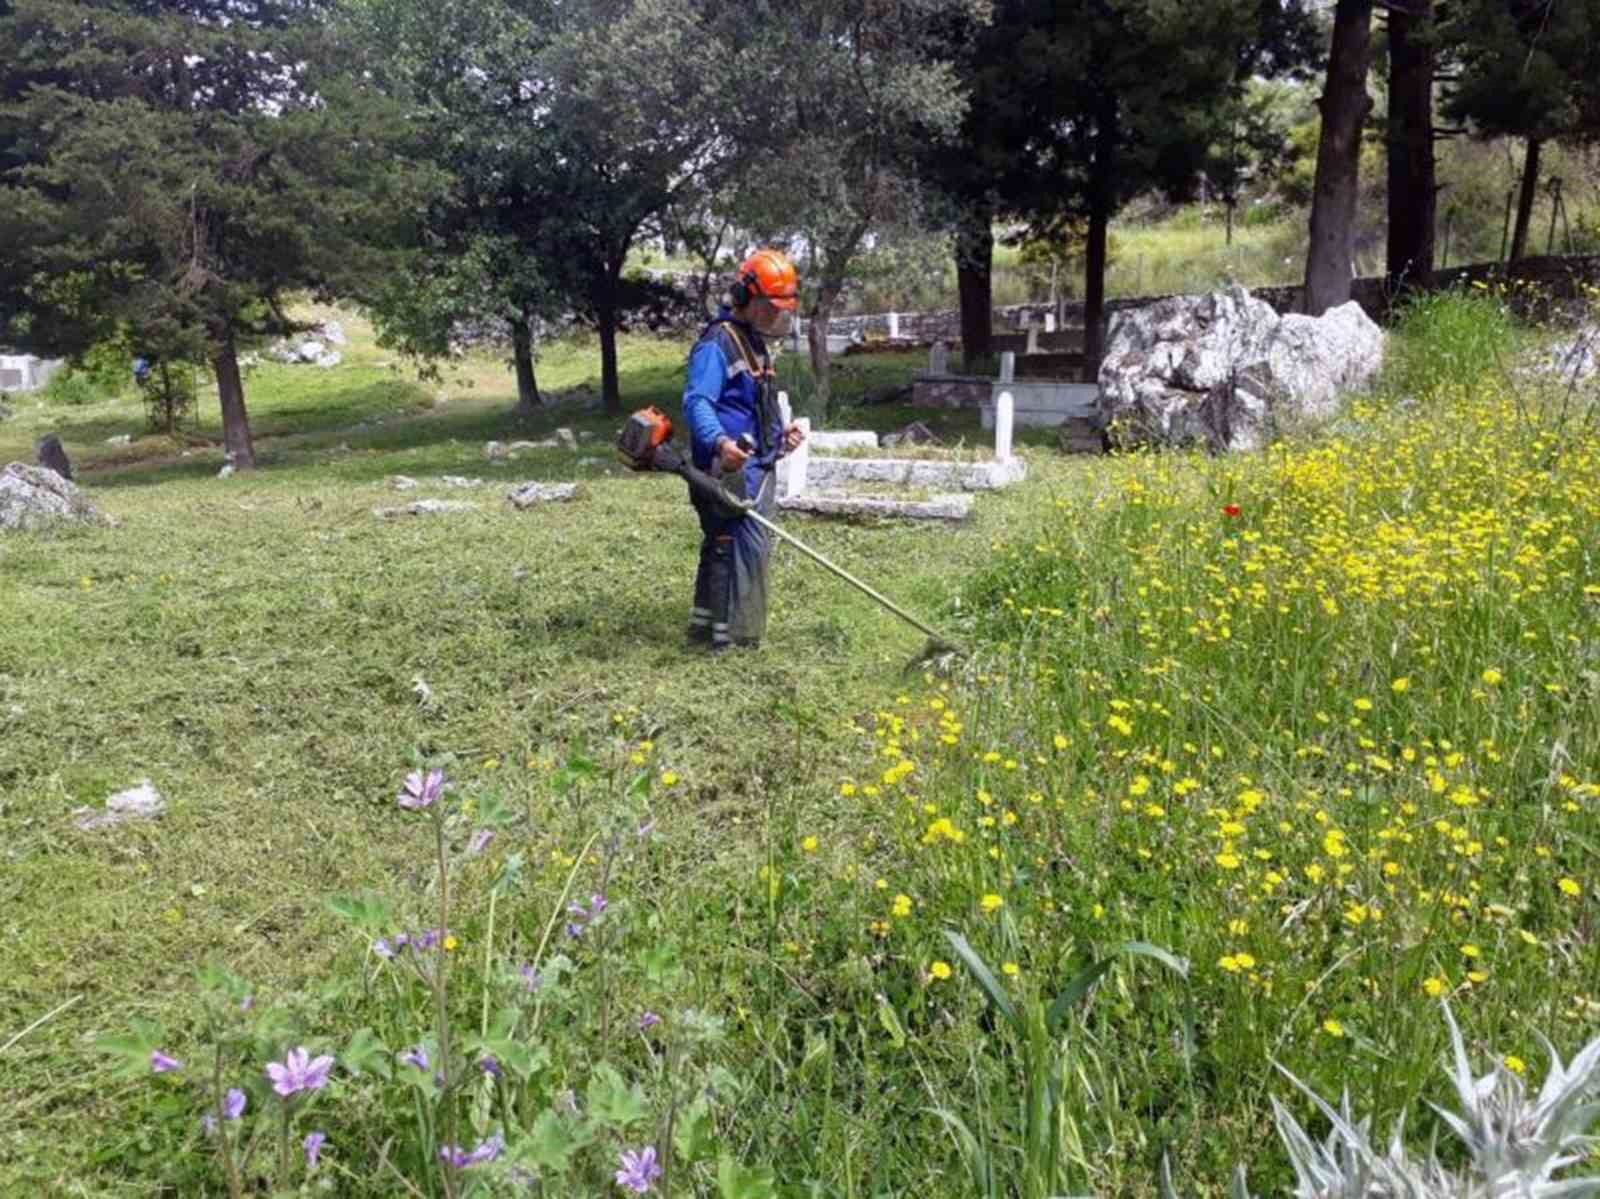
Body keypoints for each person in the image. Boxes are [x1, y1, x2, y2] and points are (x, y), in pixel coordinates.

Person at [680, 249, 807, 651]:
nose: (776, 316)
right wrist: (721, 443)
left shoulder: (754, 342)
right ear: (745, 296)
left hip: (756, 467)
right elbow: (697, 401)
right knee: (734, 549)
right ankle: (734, 641)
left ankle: (708, 630)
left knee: (732, 549)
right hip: (726, 469)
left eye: (782, 309)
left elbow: (753, 404)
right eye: (771, 307)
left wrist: (778, 438)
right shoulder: (719, 342)